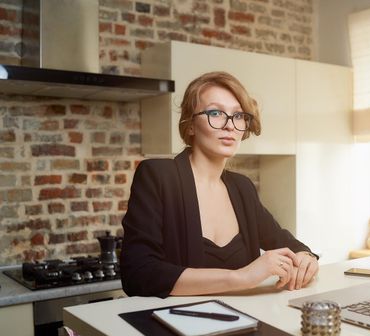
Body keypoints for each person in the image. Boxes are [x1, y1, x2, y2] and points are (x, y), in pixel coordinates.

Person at [120, 71, 319, 297]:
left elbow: (285, 241)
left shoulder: (242, 187)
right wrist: (243, 277)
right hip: (179, 326)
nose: (230, 126)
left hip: (245, 325)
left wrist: (306, 258)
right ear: (190, 125)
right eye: (215, 113)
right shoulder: (158, 175)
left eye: (238, 116)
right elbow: (138, 275)